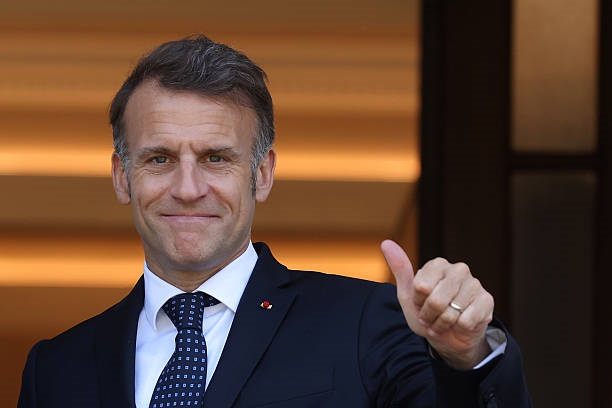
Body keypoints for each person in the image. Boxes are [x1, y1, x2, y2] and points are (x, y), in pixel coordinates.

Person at [18, 35, 531, 407]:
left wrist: (467, 356)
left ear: (261, 175)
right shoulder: (56, 369)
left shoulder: (366, 324)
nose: (188, 188)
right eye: (159, 158)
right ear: (122, 176)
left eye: (216, 158)